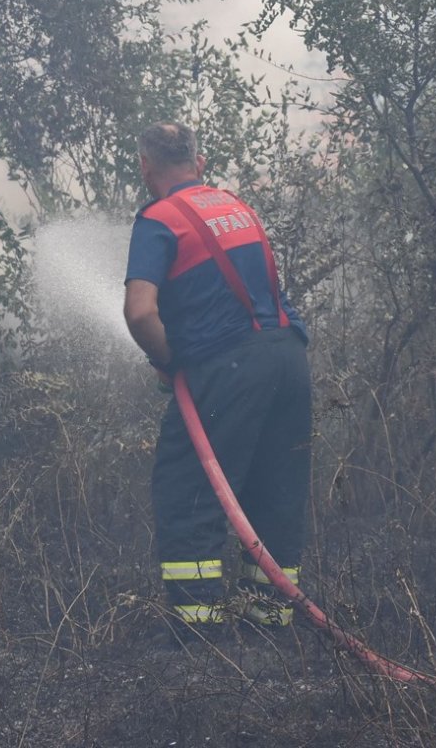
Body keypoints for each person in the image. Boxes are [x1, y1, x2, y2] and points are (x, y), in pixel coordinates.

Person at [123, 121, 312, 633]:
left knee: (187, 490)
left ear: (145, 166)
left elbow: (140, 314)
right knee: (276, 490)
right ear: (199, 163)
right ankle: (269, 624)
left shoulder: (159, 220)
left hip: (230, 367)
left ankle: (198, 634)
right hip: (290, 358)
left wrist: (169, 363)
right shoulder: (234, 205)